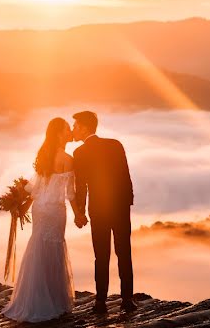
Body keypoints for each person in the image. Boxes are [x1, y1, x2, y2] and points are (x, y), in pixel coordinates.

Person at [2, 117, 79, 323]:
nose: (69, 132)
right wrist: (79, 214)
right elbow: (70, 194)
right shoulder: (67, 159)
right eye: (66, 130)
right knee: (54, 248)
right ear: (59, 133)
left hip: (40, 208)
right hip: (54, 209)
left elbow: (35, 187)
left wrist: (22, 199)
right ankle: (52, 300)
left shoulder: (44, 154)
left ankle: (32, 298)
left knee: (37, 245)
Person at [72, 110, 136, 314]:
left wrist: (80, 212)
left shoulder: (80, 153)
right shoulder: (115, 144)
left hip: (98, 209)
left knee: (101, 256)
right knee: (124, 253)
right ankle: (127, 300)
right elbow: (126, 176)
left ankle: (100, 302)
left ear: (83, 127)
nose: (73, 130)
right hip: (120, 207)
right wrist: (127, 202)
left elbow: (80, 185)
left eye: (75, 126)